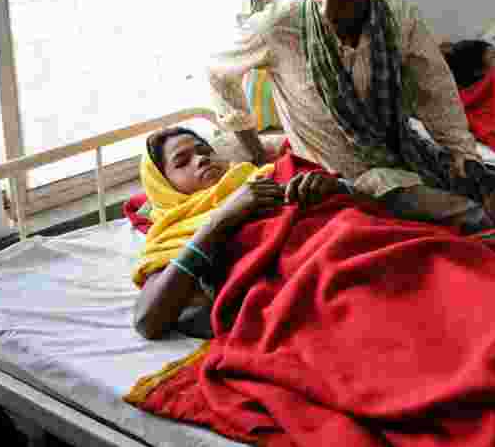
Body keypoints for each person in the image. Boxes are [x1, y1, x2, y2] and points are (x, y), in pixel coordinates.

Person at [208, 0, 495, 234]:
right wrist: (255, 151)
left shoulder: (399, 15)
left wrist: (469, 165)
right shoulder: (279, 27)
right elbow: (217, 72)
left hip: (399, 163)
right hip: (333, 185)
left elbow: (437, 96)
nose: (326, 11)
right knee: (478, 222)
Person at [132, 127, 344, 340]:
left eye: (204, 151)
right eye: (182, 162)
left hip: (342, 255)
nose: (201, 159)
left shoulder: (272, 174)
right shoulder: (172, 236)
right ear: (163, 188)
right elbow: (147, 322)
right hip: (299, 301)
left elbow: (353, 209)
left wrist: (336, 188)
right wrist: (218, 221)